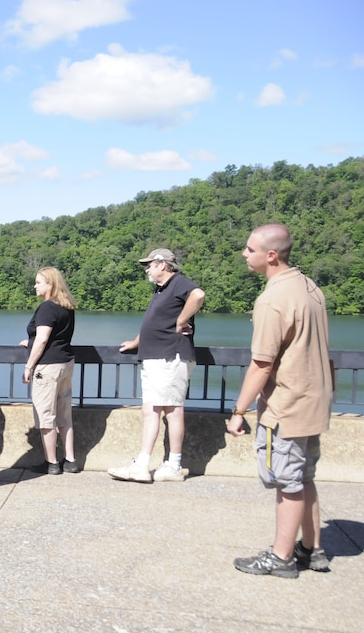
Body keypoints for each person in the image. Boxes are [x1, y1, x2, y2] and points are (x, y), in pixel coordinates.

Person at [228, 223, 333, 578]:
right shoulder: (309, 287)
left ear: (271, 256)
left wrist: (239, 411)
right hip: (313, 401)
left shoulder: (273, 299)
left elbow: (261, 365)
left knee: (287, 482)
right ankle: (311, 548)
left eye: (250, 249)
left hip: (285, 407)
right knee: (303, 476)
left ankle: (281, 557)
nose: (245, 254)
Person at [108, 248, 205, 483]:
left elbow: (198, 295)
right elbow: (155, 322)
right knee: (151, 410)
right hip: (155, 356)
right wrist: (137, 342)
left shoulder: (178, 282)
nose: (147, 268)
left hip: (170, 357)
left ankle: (173, 465)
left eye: (150, 264)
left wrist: (182, 320)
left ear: (163, 265)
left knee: (172, 410)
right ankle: (142, 465)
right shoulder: (161, 290)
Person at [20, 267, 78, 475]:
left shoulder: (47, 308)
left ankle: (51, 462)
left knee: (46, 416)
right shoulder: (67, 306)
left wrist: (29, 366)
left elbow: (44, 338)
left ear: (50, 284)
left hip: (48, 367)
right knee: (64, 414)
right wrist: (30, 342)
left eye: (38, 282)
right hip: (65, 364)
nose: (35, 286)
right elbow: (55, 337)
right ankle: (70, 460)